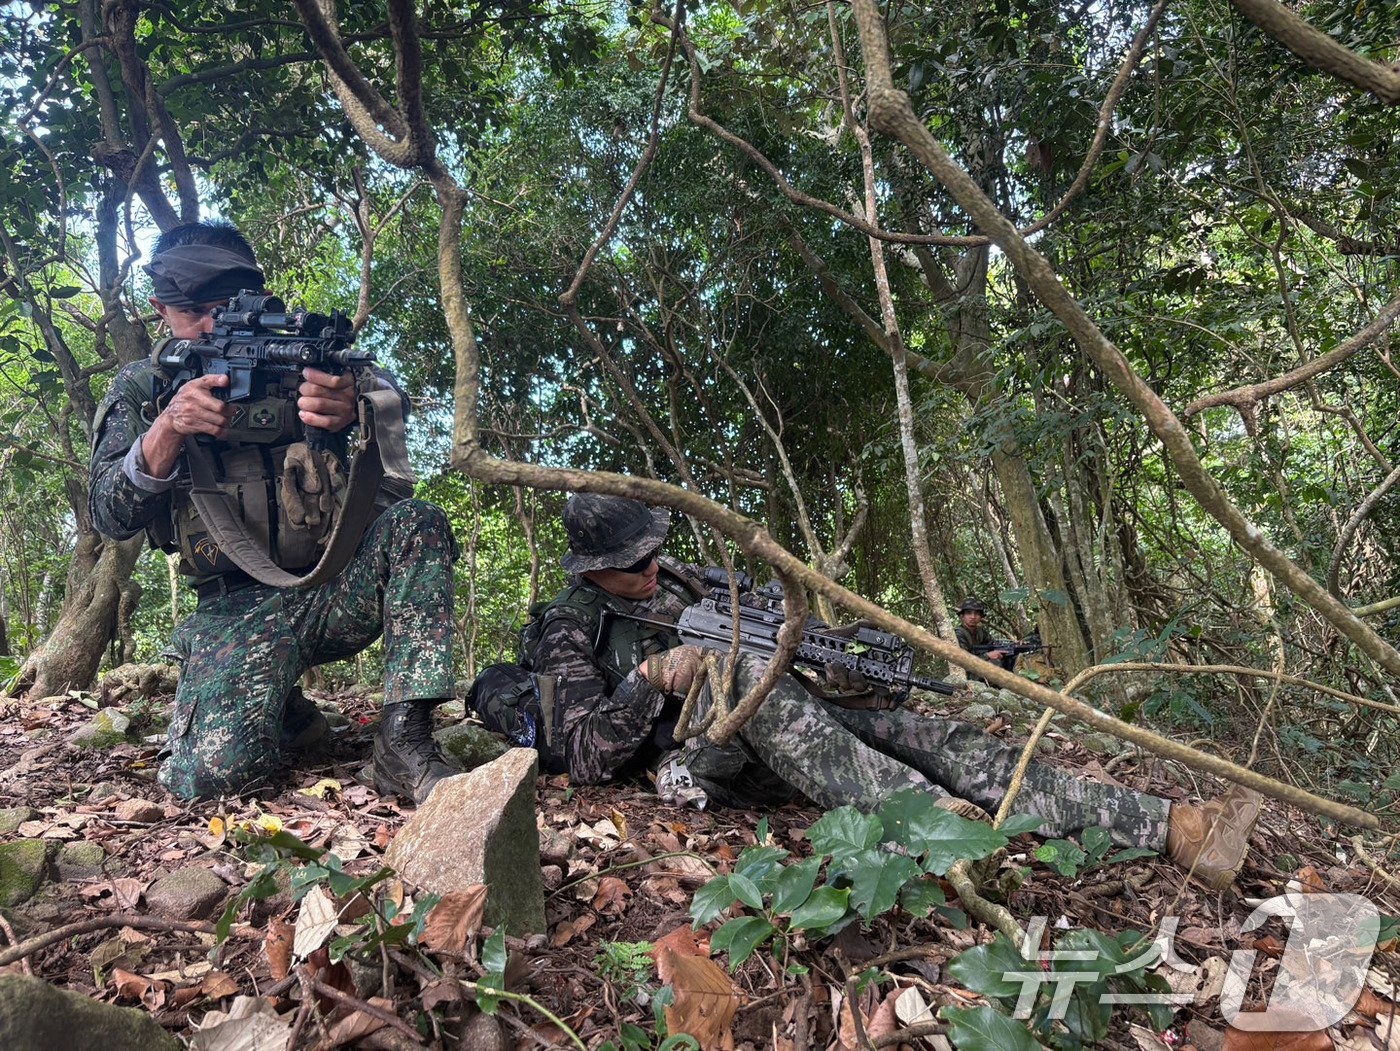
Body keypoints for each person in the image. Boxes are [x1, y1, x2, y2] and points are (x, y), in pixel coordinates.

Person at [517, 493, 1262, 892]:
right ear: (589, 569)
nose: (650, 569)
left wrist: (840, 661)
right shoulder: (569, 625)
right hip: (703, 761)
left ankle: (1176, 827)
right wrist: (652, 679)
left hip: (794, 727)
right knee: (735, 669)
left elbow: (779, 631)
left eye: (653, 550)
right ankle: (939, 827)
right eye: (630, 563)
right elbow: (583, 754)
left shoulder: (686, 578)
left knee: (938, 735)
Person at [89, 220, 457, 803]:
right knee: (209, 782)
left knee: (420, 524)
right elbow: (109, 515)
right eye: (197, 313)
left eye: (228, 306)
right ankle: (282, 706)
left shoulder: (301, 354)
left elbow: (391, 403)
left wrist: (354, 407)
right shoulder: (144, 388)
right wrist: (167, 430)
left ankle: (403, 740)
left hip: (332, 589)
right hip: (230, 612)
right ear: (160, 308)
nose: (215, 325)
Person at [954, 596, 1016, 674]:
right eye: (969, 613)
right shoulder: (959, 634)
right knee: (995, 663)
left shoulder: (981, 632)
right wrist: (987, 655)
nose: (973, 617)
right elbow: (964, 660)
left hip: (979, 668)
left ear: (980, 617)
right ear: (962, 616)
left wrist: (1015, 645)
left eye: (976, 613)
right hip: (967, 672)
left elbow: (993, 645)